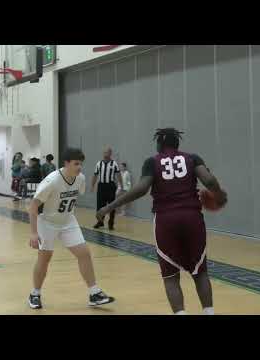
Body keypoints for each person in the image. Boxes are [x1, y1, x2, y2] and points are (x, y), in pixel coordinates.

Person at [96, 128, 228, 315]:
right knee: (200, 272)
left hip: (166, 219)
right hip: (192, 217)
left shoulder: (152, 162)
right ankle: (209, 312)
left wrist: (110, 207)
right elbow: (208, 180)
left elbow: (141, 189)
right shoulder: (193, 158)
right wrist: (219, 194)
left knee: (171, 276)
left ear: (159, 144)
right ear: (177, 144)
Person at [27, 147, 115, 310]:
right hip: (47, 222)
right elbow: (32, 206)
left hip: (68, 221)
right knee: (44, 258)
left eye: (81, 164)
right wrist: (33, 232)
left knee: (84, 253)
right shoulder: (52, 181)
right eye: (76, 164)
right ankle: (35, 294)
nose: (79, 167)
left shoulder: (80, 178)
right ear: (66, 163)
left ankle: (94, 293)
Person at [91, 147, 123, 230]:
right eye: (104, 152)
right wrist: (92, 186)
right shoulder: (99, 164)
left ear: (110, 153)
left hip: (111, 186)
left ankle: (111, 223)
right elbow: (95, 175)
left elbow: (118, 174)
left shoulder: (114, 163)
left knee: (112, 205)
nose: (105, 154)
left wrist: (121, 185)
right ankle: (100, 222)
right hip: (101, 186)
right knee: (100, 205)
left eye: (107, 152)